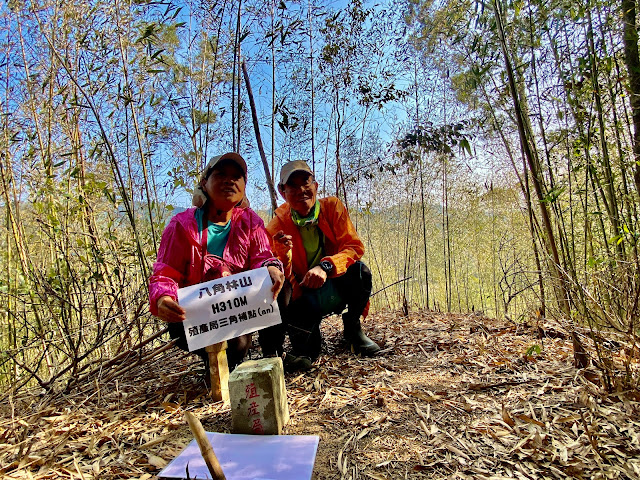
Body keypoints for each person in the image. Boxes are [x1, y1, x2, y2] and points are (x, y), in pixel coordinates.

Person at [149, 152, 284, 374]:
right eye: (221, 174)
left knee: (280, 285)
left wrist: (270, 267)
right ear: (204, 183)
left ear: (243, 186)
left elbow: (262, 256)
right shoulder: (181, 226)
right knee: (235, 345)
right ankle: (219, 367)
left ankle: (272, 357)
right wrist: (163, 298)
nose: (229, 180)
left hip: (237, 306)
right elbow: (165, 274)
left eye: (236, 176)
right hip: (196, 314)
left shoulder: (251, 222)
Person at [259, 160, 380, 371]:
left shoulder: (332, 208)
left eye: (306, 183)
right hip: (304, 296)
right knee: (309, 354)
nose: (301, 191)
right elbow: (273, 269)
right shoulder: (277, 225)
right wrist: (283, 253)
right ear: (282, 191)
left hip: (336, 282)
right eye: (292, 186)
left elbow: (353, 246)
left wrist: (326, 266)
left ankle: (353, 329)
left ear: (315, 185)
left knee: (361, 273)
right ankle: (304, 337)